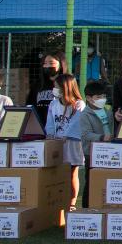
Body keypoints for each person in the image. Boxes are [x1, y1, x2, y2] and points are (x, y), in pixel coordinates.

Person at [45, 73, 85, 211]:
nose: (54, 89)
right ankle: (57, 201)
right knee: (58, 171)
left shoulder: (79, 104)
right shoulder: (53, 103)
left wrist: (66, 136)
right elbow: (50, 122)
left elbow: (75, 124)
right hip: (56, 142)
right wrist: (50, 134)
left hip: (72, 144)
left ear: (66, 88)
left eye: (57, 87)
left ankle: (72, 203)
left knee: (72, 172)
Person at [78, 80, 112, 207]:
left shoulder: (108, 111)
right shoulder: (85, 115)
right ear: (88, 98)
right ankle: (86, 208)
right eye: (98, 97)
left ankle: (103, 205)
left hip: (108, 151)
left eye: (103, 96)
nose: (102, 99)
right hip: (91, 153)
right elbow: (86, 134)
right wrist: (102, 137)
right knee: (91, 181)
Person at [25, 52, 66, 128]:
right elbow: (30, 105)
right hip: (39, 127)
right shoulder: (37, 85)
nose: (47, 66)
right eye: (45, 63)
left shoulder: (67, 84)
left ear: (61, 64)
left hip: (61, 128)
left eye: (51, 63)